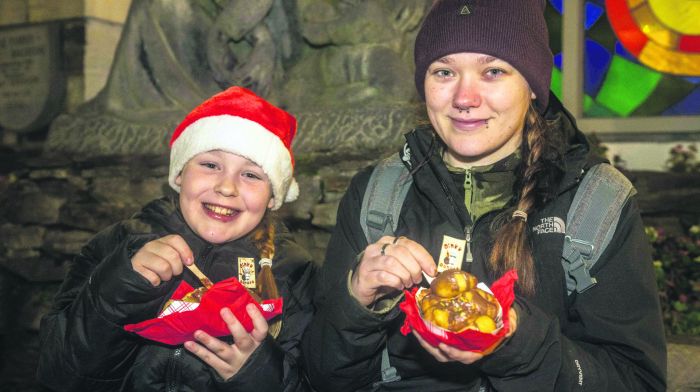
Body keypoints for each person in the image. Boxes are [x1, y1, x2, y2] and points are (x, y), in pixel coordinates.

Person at [301, 0, 667, 391]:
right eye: (444, 72)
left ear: (532, 85)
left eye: (493, 71)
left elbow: (637, 380)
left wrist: (517, 340)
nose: (464, 97)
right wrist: (357, 302)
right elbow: (321, 376)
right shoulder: (377, 196)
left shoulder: (595, 203)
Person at [37, 86, 315, 391]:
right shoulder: (116, 247)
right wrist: (117, 289)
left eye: (251, 175)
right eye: (210, 165)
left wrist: (256, 372)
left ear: (273, 197)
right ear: (179, 174)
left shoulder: (295, 272)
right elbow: (59, 375)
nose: (226, 187)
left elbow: (313, 381)